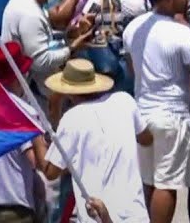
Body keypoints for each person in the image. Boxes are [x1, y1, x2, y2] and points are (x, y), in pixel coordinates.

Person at [123, 0, 190, 223]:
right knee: (167, 183)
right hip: (172, 114)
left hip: (142, 111)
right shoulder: (182, 33)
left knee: (148, 180)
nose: (187, 0)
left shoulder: (132, 28)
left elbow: (132, 67)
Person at [41, 60, 148, 223]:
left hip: (96, 216)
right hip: (135, 213)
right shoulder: (125, 101)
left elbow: (51, 171)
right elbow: (146, 138)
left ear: (68, 92)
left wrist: (42, 128)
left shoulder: (72, 118)